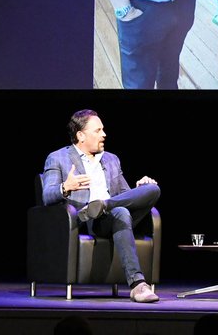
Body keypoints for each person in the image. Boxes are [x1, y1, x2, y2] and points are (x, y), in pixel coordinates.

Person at [42, 109, 161, 303]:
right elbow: (47, 195)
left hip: (113, 213)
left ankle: (104, 204)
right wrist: (66, 187)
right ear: (81, 135)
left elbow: (125, 196)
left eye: (103, 130)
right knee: (121, 212)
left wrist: (140, 189)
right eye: (98, 130)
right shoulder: (58, 158)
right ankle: (138, 285)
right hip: (87, 220)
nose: (104, 134)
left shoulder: (111, 159)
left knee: (153, 189)